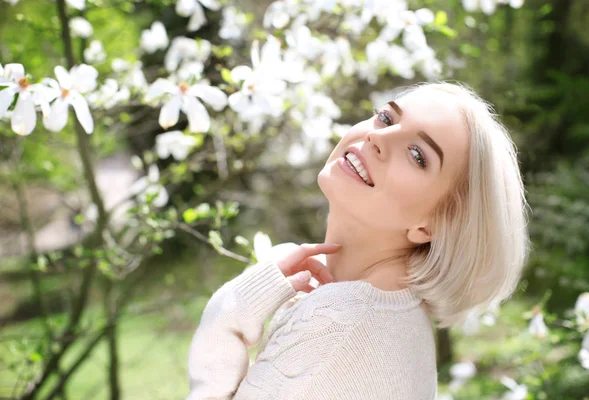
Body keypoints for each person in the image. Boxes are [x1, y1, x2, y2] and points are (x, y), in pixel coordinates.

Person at [185, 82, 531, 399]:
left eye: (417, 155)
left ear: (431, 226)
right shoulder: (393, 312)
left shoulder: (341, 322)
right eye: (385, 117)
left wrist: (231, 310)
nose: (378, 138)